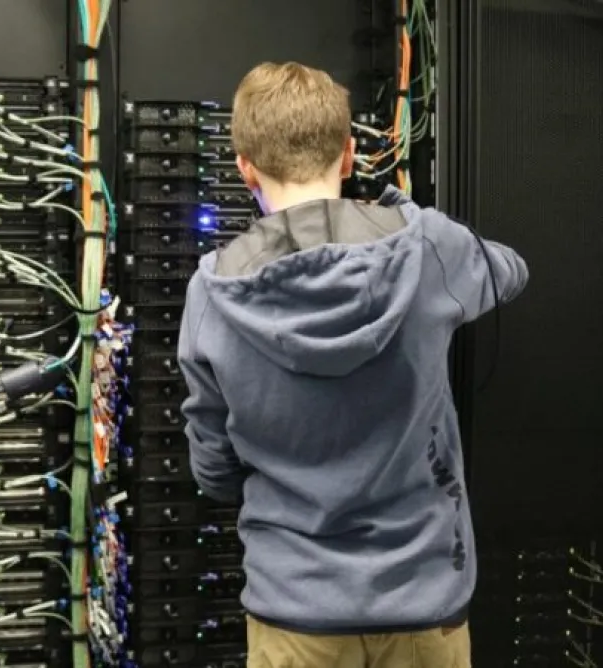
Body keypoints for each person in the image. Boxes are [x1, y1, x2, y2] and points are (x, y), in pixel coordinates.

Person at [176, 61, 529, 668]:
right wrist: (403, 211)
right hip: (423, 607)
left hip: (293, 613)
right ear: (347, 155)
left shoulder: (210, 294)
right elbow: (510, 270)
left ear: (244, 167)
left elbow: (214, 470)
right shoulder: (425, 249)